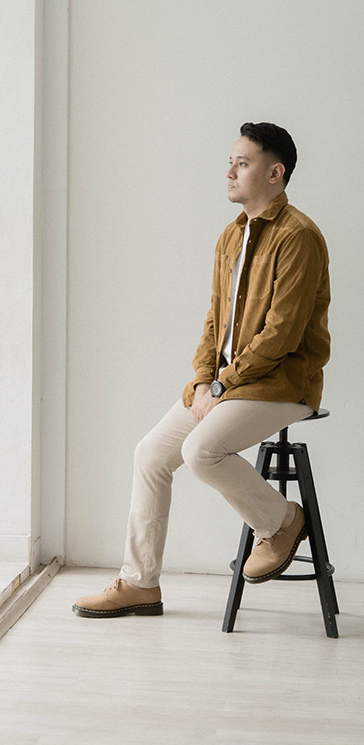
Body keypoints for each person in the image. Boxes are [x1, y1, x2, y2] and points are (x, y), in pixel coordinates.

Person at [73, 122, 331, 618]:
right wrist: (200, 381)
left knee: (201, 451)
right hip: (226, 384)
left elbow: (281, 336)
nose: (229, 171)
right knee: (151, 454)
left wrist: (220, 383)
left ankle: (283, 522)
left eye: (243, 163)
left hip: (282, 384)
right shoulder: (231, 237)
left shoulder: (299, 236)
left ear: (275, 173)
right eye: (230, 161)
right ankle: (139, 584)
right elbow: (215, 322)